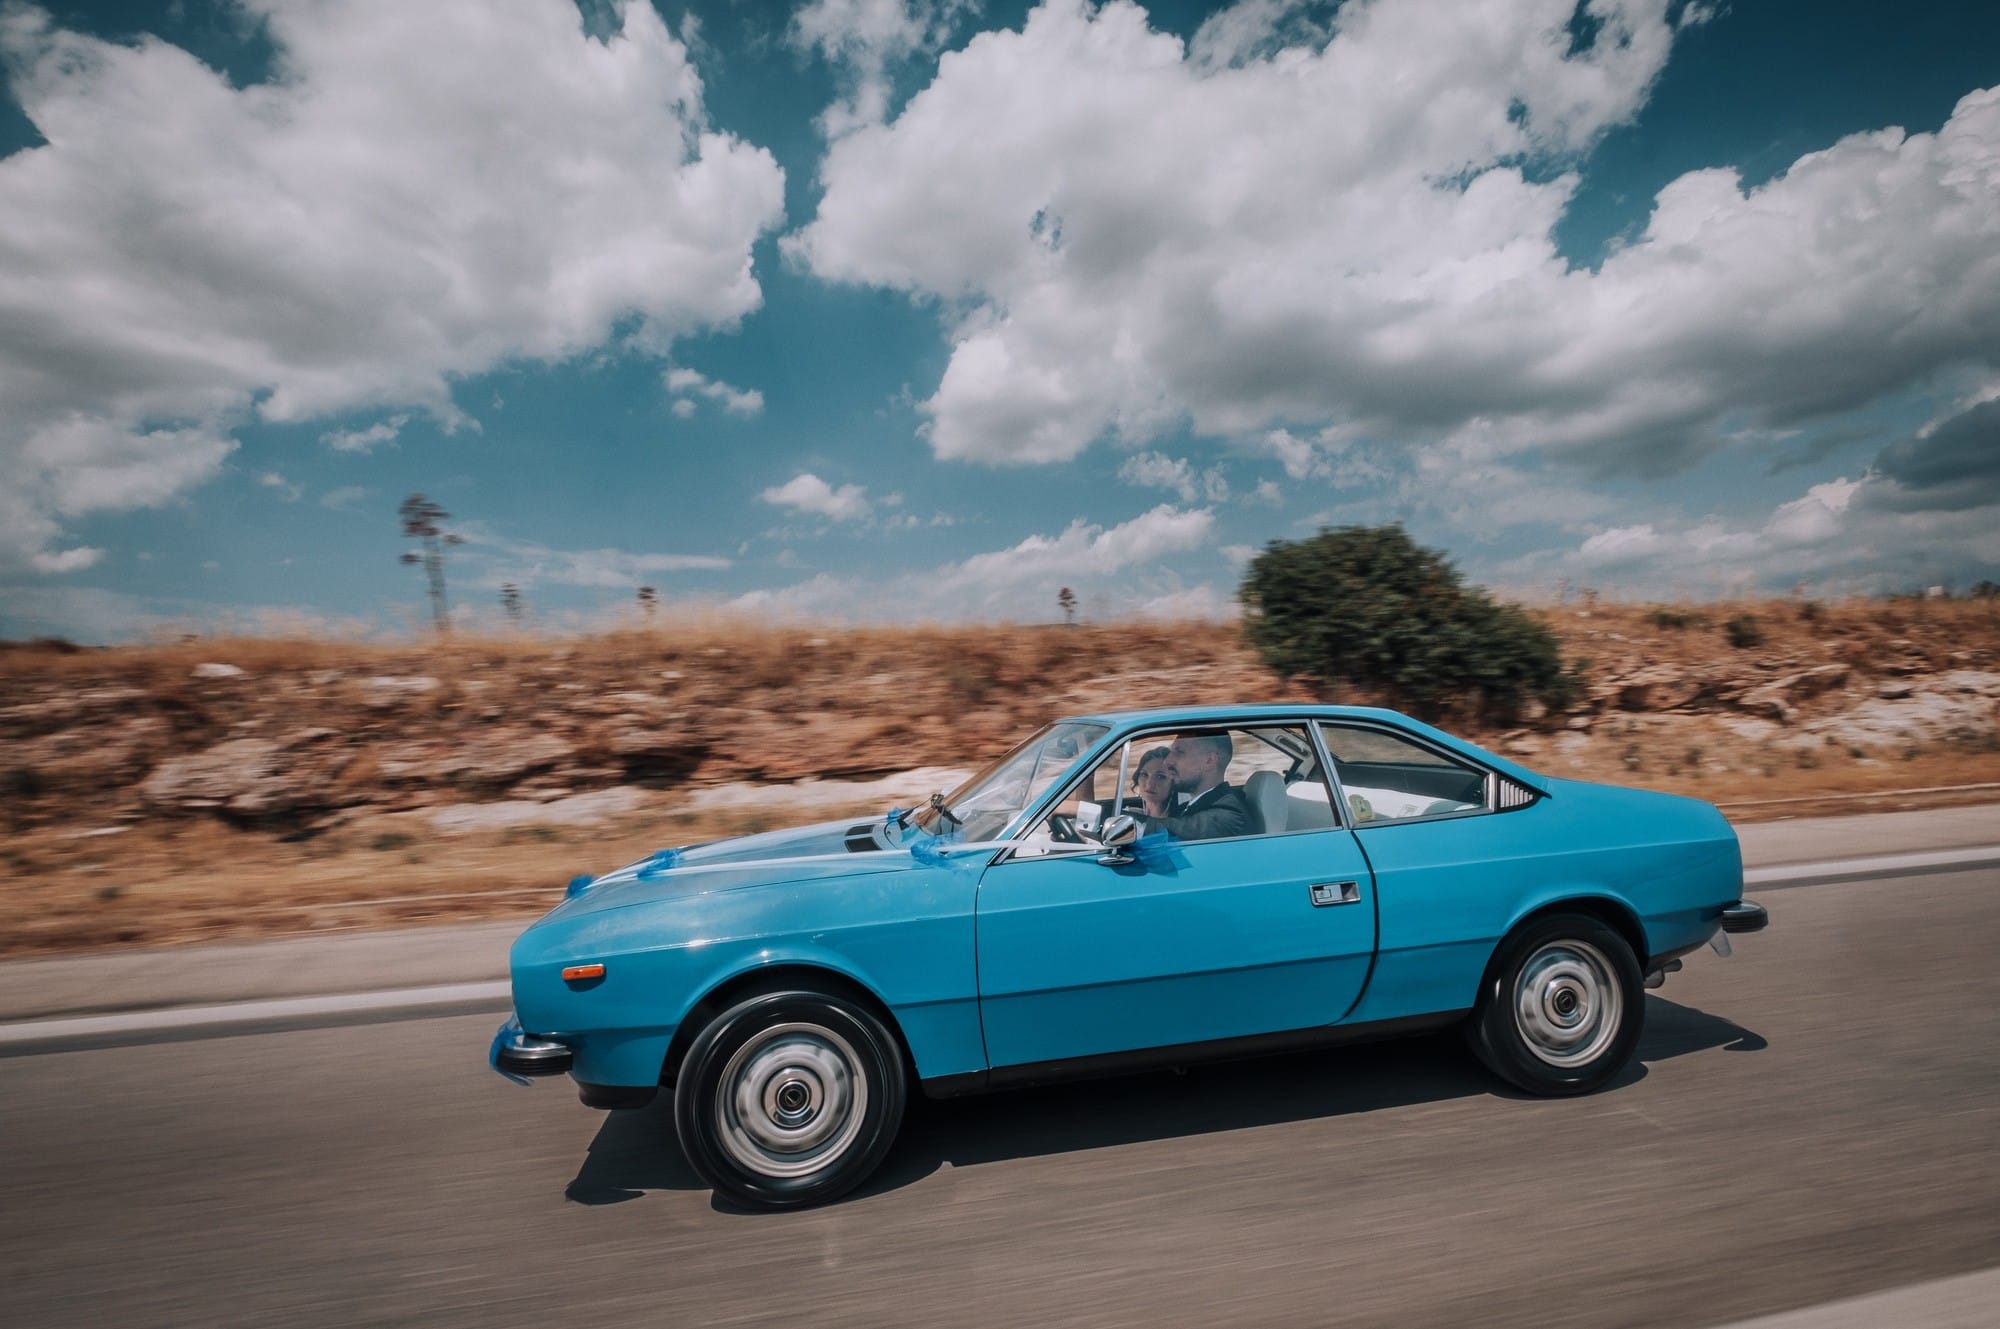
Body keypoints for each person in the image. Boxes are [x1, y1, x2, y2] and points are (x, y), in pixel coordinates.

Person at [1138, 730, 1252, 840]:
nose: (1167, 761)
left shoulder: (1228, 816)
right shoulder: (1186, 807)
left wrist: (1126, 822)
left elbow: (1178, 829)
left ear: (1209, 761)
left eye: (1179, 752)